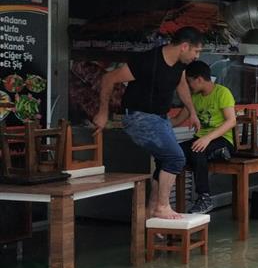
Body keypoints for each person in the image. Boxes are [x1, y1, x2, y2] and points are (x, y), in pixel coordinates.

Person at [93, 27, 203, 220]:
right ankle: (162, 206)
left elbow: (182, 85)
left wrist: (192, 112)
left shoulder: (180, 65)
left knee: (164, 161)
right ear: (184, 46)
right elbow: (109, 78)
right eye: (196, 51)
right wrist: (103, 113)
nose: (197, 56)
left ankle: (152, 211)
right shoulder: (147, 61)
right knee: (176, 158)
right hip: (138, 117)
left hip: (160, 118)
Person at [170, 60, 236, 214]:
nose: (188, 86)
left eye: (189, 82)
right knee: (174, 152)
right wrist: (158, 123)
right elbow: (178, 120)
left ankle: (205, 198)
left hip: (223, 139)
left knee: (197, 151)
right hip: (200, 140)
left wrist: (207, 138)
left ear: (199, 79)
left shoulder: (222, 92)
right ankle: (163, 201)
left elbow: (231, 121)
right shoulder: (194, 98)